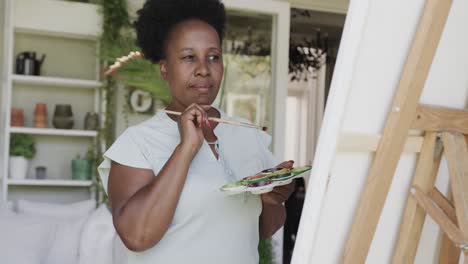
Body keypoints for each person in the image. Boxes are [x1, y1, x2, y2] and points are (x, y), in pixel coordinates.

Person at [98, 0, 295, 263]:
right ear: (165, 69)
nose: (203, 69)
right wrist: (186, 148)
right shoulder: (137, 143)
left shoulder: (249, 136)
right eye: (189, 57)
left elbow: (256, 231)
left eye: (213, 57)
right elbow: (136, 236)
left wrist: (273, 200)